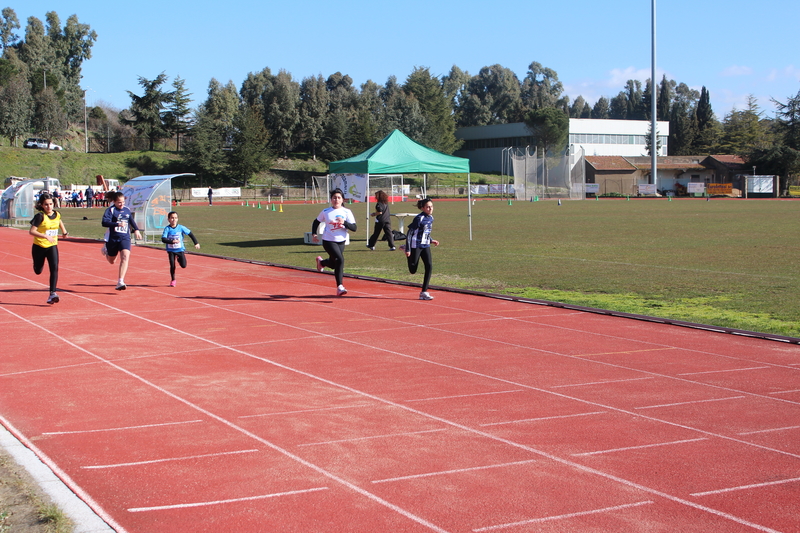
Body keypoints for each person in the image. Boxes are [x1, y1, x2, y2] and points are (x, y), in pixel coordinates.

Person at [312, 188, 357, 296]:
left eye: (338, 198)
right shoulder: (326, 211)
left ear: (342, 200)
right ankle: (340, 287)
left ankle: (322, 263)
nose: (336, 200)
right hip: (328, 240)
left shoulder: (347, 212)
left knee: (333, 264)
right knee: (340, 259)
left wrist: (344, 222)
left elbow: (354, 228)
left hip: (341, 241)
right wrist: (314, 233)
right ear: (331, 199)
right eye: (334, 198)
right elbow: (316, 221)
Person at [29, 191, 68, 304]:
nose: (49, 206)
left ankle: (52, 293)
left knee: (54, 268)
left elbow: (59, 220)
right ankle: (37, 265)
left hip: (52, 246)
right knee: (38, 270)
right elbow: (32, 231)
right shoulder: (40, 216)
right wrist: (45, 236)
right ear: (41, 205)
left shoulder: (57, 214)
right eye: (46, 204)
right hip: (39, 246)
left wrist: (64, 231)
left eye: (50, 204)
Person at [101, 191, 142, 290]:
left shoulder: (127, 210)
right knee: (112, 261)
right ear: (114, 202)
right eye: (119, 202)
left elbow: (131, 221)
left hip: (125, 237)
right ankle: (106, 250)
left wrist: (136, 230)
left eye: (123, 202)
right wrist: (117, 224)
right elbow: (104, 223)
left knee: (125, 257)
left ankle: (120, 281)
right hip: (113, 238)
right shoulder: (110, 210)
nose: (122, 204)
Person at [403, 197, 439, 301]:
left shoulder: (431, 218)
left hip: (425, 245)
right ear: (422, 208)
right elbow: (410, 233)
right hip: (416, 244)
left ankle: (424, 292)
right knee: (413, 270)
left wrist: (431, 240)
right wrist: (408, 248)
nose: (430, 209)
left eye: (431, 206)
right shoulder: (419, 218)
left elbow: (426, 232)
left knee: (429, 266)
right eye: (428, 207)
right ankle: (406, 251)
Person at [161, 211, 200, 287]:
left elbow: (190, 234)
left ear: (177, 219)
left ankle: (179, 259)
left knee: (184, 265)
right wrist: (172, 241)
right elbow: (163, 239)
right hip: (171, 250)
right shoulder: (167, 229)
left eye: (175, 218)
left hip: (180, 250)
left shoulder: (181, 227)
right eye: (172, 218)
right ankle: (173, 280)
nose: (174, 219)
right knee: (172, 265)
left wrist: (196, 243)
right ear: (168, 219)